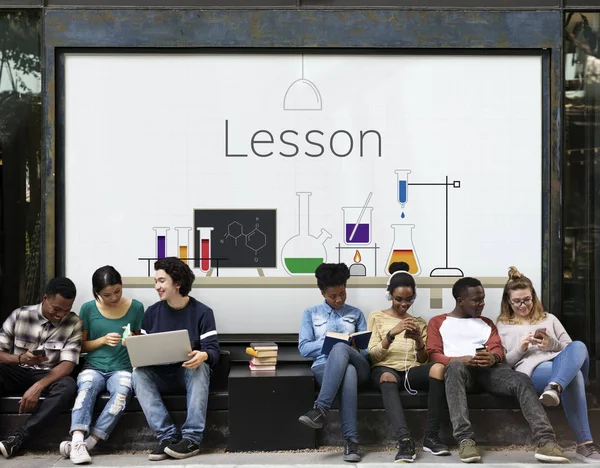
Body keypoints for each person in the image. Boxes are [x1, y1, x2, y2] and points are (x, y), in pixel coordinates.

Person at [427, 277, 569, 464]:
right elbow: (433, 354)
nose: (482, 304)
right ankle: (465, 440)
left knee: (520, 379)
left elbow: (497, 349)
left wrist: (492, 357)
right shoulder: (438, 322)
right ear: (460, 300)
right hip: (460, 372)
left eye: (483, 299)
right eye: (476, 300)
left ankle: (546, 440)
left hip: (489, 372)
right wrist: (460, 359)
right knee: (453, 368)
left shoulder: (487, 323)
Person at [497, 266, 600, 463]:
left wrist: (551, 344)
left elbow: (573, 350)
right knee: (575, 377)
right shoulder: (502, 325)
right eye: (517, 301)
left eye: (526, 300)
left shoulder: (549, 318)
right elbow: (504, 364)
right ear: (508, 302)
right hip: (533, 370)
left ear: (533, 297)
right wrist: (521, 348)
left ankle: (555, 387)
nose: (522, 305)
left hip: (560, 365)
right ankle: (585, 445)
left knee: (579, 345)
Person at [132, 257, 219, 461]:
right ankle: (167, 437)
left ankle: (191, 439)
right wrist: (134, 346)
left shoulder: (203, 313)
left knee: (200, 367)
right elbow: (145, 350)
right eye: (156, 282)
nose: (157, 287)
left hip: (188, 373)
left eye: (162, 281)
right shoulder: (152, 313)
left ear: (177, 283)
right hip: (161, 373)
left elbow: (213, 351)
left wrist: (203, 355)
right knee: (138, 374)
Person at [58, 266, 144, 464]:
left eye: (118, 291)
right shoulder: (88, 309)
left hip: (123, 368)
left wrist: (131, 340)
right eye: (107, 294)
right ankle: (77, 440)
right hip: (94, 367)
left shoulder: (137, 307)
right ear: (96, 292)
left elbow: (140, 345)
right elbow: (80, 346)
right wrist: (103, 340)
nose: (114, 297)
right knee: (86, 389)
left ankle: (89, 444)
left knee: (121, 394)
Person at [367, 262, 449, 462]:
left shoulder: (419, 322)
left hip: (412, 371)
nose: (404, 304)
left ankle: (431, 436)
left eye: (409, 299)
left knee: (438, 368)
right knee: (387, 376)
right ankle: (405, 440)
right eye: (398, 299)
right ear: (389, 296)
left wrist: (419, 342)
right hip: (385, 369)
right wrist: (391, 334)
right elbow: (373, 356)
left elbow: (423, 360)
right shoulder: (376, 316)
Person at [0, 277, 82, 459]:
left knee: (68, 386)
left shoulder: (74, 322)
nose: (61, 315)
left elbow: (68, 364)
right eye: (56, 309)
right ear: (45, 298)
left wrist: (39, 386)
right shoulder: (20, 315)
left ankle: (19, 438)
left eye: (66, 310)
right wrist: (20, 358)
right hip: (17, 371)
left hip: (47, 375)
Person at [298, 263, 370, 463]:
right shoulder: (310, 314)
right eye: (333, 296)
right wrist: (330, 340)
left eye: (342, 293)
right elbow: (304, 348)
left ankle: (320, 409)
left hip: (359, 365)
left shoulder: (356, 313)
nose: (339, 299)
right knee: (346, 372)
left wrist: (350, 346)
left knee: (343, 353)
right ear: (322, 292)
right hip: (325, 367)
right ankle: (351, 442)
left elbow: (366, 353)